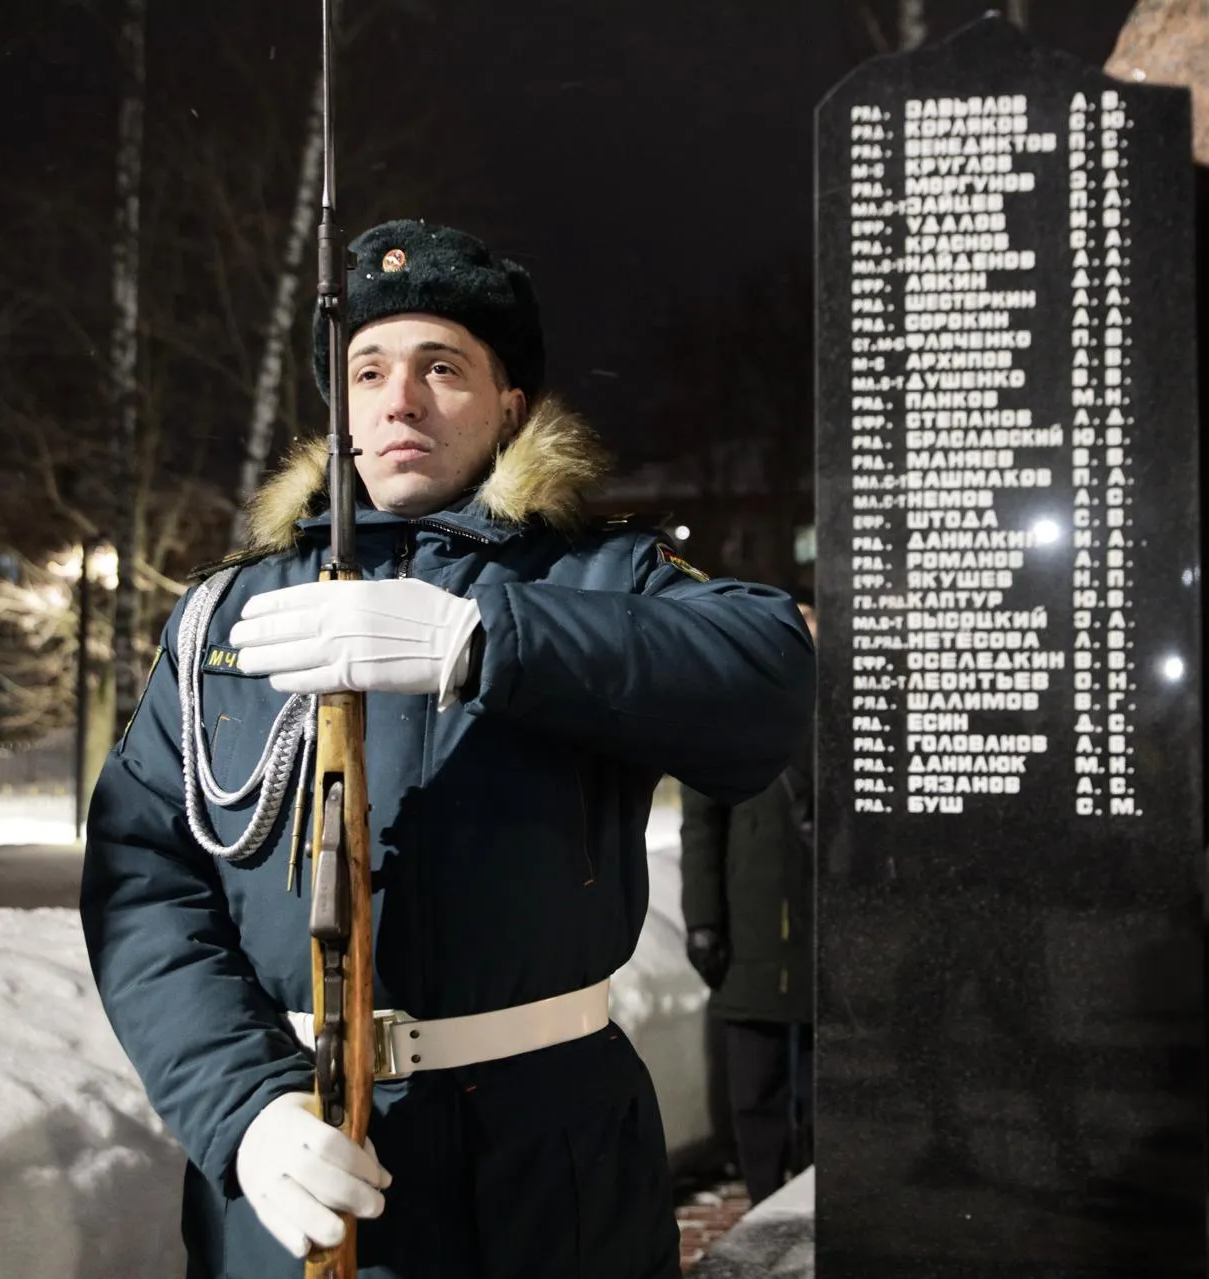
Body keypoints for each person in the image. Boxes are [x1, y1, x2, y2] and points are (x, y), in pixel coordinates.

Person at [80, 219, 814, 1279]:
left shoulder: (598, 577)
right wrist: (241, 1108)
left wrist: (494, 640)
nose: (400, 399)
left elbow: (768, 674)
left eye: (442, 367)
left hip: (548, 1173)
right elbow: (142, 879)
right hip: (303, 1155)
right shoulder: (227, 613)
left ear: (511, 402)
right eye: (367, 369)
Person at [678, 598, 815, 1205]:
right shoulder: (725, 713)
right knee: (754, 1074)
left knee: (819, 1073)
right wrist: (704, 920)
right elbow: (700, 829)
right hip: (750, 921)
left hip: (819, 925)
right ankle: (764, 1192)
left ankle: (814, 1188)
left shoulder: (842, 714)